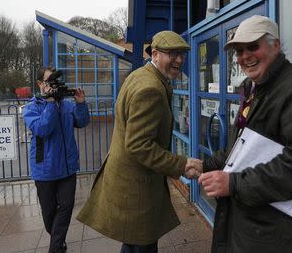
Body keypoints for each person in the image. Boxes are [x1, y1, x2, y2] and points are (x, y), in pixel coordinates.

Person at [198, 15, 292, 253]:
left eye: (252, 47)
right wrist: (205, 165)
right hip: (253, 227)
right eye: (239, 51)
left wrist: (234, 183)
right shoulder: (256, 89)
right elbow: (242, 149)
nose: (244, 57)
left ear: (275, 46)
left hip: (279, 236)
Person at [76, 31, 203, 253]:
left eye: (182, 54)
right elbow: (138, 145)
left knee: (134, 243)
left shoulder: (140, 75)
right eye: (172, 54)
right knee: (142, 244)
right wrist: (181, 165)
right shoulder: (150, 88)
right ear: (154, 54)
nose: (180, 60)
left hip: (128, 180)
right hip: (137, 187)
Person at [23, 67, 90, 253]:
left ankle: (56, 248)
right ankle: (58, 240)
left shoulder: (67, 105)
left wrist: (81, 104)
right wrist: (51, 103)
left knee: (67, 206)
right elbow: (42, 129)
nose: (54, 86)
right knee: (49, 214)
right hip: (44, 170)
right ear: (40, 84)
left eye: (55, 82)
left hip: (68, 168)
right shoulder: (32, 107)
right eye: (50, 82)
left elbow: (82, 122)